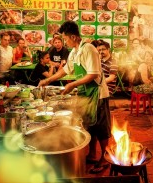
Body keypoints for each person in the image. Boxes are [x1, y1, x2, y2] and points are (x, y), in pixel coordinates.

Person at [38, 21, 111, 174]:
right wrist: (48, 80)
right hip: (85, 94)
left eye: (65, 39)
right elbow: (65, 70)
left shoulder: (88, 48)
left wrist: (72, 85)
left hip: (97, 94)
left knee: (101, 128)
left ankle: (105, 157)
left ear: (73, 36)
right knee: (90, 124)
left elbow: (94, 74)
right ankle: (92, 153)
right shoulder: (74, 51)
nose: (64, 42)